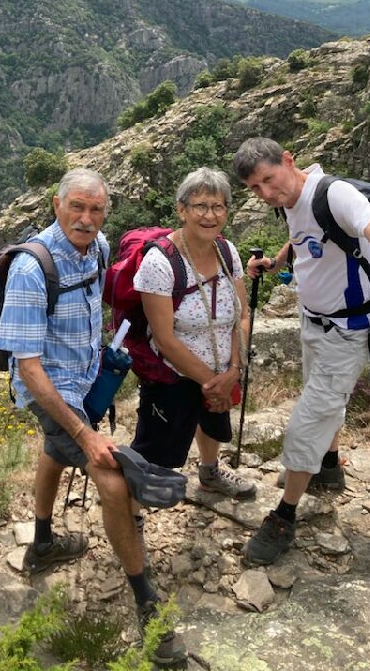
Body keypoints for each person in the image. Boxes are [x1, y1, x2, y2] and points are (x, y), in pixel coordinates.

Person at [0, 167, 187, 669]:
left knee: (54, 451)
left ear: (106, 214)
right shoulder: (31, 268)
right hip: (49, 389)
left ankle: (41, 543)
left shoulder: (99, 247)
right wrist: (84, 431)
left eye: (95, 209)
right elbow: (29, 368)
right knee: (112, 478)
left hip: (83, 375)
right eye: (76, 207)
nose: (85, 218)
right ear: (56, 206)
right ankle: (146, 599)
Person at [232, 137, 370, 565]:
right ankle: (329, 469)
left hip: (348, 330)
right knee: (322, 401)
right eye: (256, 189)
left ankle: (284, 517)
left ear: (288, 161)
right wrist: (276, 263)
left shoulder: (336, 194)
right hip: (312, 321)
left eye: (269, 181)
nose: (267, 194)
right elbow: (307, 237)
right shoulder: (293, 198)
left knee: (306, 423)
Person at [130, 168, 255, 523]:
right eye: (200, 206)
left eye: (218, 206)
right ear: (181, 210)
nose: (210, 215)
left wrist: (233, 370)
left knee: (213, 425)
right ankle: (133, 511)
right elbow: (165, 339)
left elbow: (241, 315)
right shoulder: (160, 262)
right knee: (156, 449)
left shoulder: (228, 252)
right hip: (173, 374)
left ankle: (210, 472)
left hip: (222, 368)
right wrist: (212, 382)